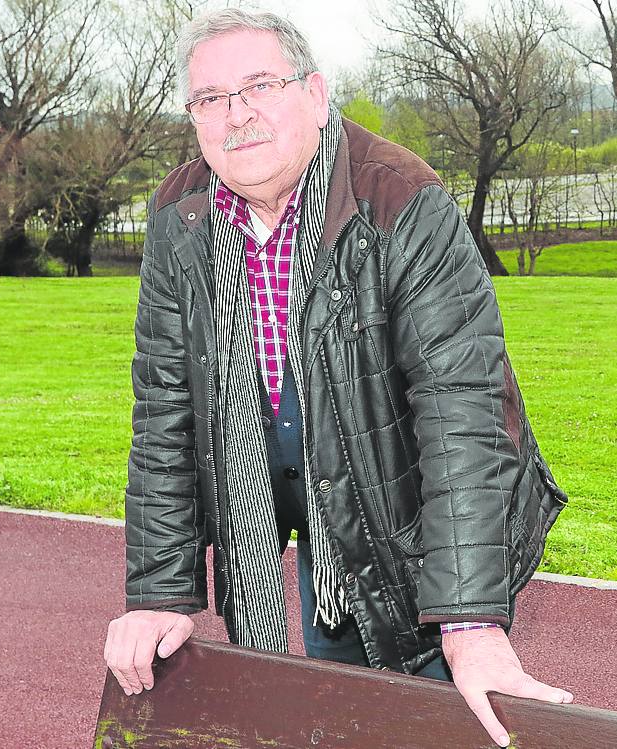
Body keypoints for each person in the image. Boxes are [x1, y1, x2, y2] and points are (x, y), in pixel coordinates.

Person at [104, 9, 573, 747]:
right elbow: (166, 414)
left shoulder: (401, 201)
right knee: (337, 703)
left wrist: (470, 620)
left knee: (436, 708)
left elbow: (461, 415)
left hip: (419, 504)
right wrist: (159, 594)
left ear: (316, 96)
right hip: (311, 504)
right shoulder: (179, 219)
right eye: (210, 98)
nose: (238, 115)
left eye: (260, 85)